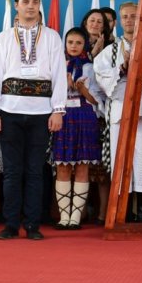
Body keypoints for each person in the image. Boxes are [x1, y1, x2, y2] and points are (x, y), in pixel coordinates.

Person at [0, 0, 67, 240]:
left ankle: (33, 224)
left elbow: (59, 74)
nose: (30, 6)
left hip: (41, 112)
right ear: (16, 5)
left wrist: (58, 109)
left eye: (34, 2)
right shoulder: (4, 37)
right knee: (12, 171)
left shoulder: (52, 37)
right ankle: (11, 224)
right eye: (25, 1)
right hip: (9, 110)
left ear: (39, 4)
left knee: (35, 170)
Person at [93, 0, 142, 222]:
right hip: (120, 113)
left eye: (134, 16)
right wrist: (121, 69)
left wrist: (133, 68)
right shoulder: (110, 51)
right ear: (118, 21)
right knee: (121, 159)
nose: (129, 20)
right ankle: (122, 213)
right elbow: (102, 76)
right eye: (125, 16)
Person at [51, 27, 100, 230]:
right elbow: (50, 95)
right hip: (63, 117)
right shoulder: (57, 65)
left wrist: (82, 89)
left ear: (85, 45)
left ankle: (75, 218)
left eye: (78, 43)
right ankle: (64, 217)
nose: (73, 46)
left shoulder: (91, 67)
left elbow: (97, 99)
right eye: (70, 42)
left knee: (82, 166)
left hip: (85, 117)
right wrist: (65, 85)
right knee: (62, 166)